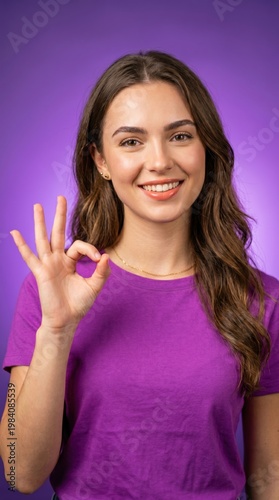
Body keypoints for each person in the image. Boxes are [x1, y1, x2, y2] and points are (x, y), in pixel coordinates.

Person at [0, 50, 278, 500]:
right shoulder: (52, 292)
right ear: (101, 161)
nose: (160, 161)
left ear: (206, 146)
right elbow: (18, 471)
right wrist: (56, 330)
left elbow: (270, 476)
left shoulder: (262, 301)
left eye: (180, 136)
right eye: (131, 141)